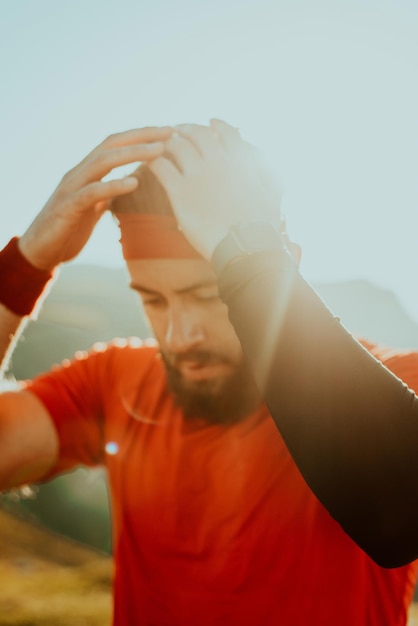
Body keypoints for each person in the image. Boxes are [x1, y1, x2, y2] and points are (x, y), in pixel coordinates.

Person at [0, 121, 417, 626]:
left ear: (275, 270)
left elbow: (402, 507)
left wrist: (253, 263)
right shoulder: (116, 380)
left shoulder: (394, 384)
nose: (179, 335)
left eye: (210, 295)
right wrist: (26, 265)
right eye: (152, 300)